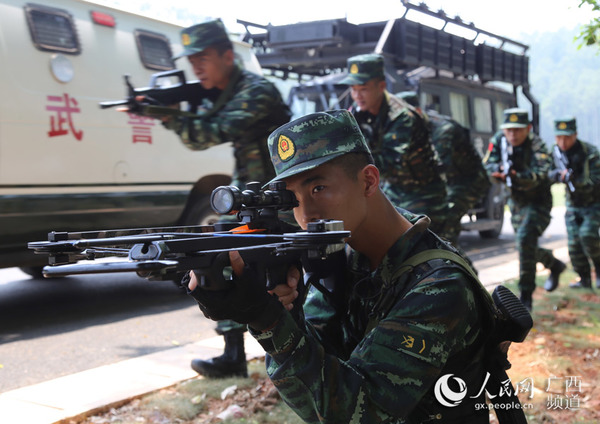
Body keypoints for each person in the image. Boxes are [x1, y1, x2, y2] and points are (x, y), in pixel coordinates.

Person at [183, 110, 500, 423]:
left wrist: (268, 321)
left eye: (318, 188)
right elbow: (314, 403)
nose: (306, 213)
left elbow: (360, 413)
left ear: (368, 181)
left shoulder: (439, 286)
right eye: (293, 198)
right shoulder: (345, 258)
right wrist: (282, 313)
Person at [163, 18, 292, 378]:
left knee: (289, 276)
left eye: (203, 58)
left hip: (282, 200)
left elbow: (205, 134)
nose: (196, 67)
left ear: (227, 55)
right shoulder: (226, 93)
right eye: (191, 61)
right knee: (220, 256)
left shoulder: (255, 90)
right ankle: (233, 354)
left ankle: (299, 350)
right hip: (249, 195)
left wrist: (166, 113)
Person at [338, 54, 449, 236]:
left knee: (430, 254)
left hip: (423, 195)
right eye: (353, 89)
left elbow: (386, 164)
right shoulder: (358, 113)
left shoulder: (402, 116)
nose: (357, 96)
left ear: (381, 86)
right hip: (393, 190)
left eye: (363, 89)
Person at [484, 108, 566, 310]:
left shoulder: (538, 145)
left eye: (518, 130)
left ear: (528, 129)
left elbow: (539, 176)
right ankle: (554, 265)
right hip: (516, 203)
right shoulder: (499, 140)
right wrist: (498, 171)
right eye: (509, 130)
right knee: (525, 246)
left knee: (524, 240)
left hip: (538, 202)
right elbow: (486, 164)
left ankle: (525, 297)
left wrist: (516, 175)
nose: (513, 134)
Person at [398, 91, 491, 245]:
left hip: (468, 181)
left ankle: (452, 263)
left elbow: (436, 171)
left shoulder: (443, 130)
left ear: (418, 113)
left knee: (444, 223)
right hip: (447, 180)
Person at [549, 116, 600, 290]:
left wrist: (575, 180)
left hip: (593, 203)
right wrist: (555, 175)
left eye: (567, 137)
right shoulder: (555, 153)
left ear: (575, 135)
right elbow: (545, 172)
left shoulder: (590, 153)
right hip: (573, 205)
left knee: (588, 236)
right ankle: (584, 278)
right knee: (574, 244)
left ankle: (599, 271)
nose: (562, 142)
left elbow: (595, 181)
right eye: (559, 137)